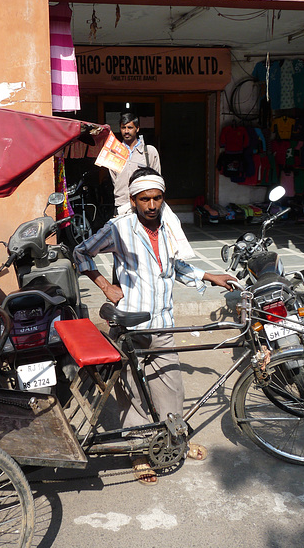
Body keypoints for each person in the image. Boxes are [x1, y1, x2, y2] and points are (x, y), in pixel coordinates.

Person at [73, 167, 236, 485]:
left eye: (157, 198)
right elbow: (81, 252)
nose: (151, 205)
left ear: (163, 199)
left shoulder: (169, 226)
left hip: (163, 322)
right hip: (131, 324)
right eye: (144, 199)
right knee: (134, 390)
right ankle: (138, 452)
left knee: (170, 386)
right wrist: (106, 286)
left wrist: (208, 276)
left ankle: (175, 440)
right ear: (133, 200)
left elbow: (175, 265)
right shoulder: (118, 228)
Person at [110, 112, 161, 215]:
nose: (126, 131)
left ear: (137, 129)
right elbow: (115, 180)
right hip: (122, 205)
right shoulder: (114, 153)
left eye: (130, 127)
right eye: (123, 128)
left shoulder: (149, 152)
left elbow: (157, 180)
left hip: (145, 205)